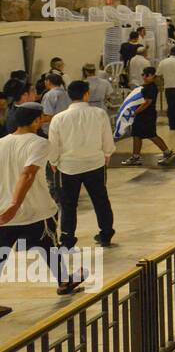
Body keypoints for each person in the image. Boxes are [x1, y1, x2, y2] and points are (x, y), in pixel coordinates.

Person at [0, 104, 85, 305]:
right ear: (36, 120)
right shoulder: (39, 143)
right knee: (49, 247)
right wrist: (14, 204)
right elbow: (28, 173)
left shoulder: (1, 143)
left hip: (3, 212)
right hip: (35, 210)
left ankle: (65, 281)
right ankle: (64, 282)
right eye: (43, 117)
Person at [47, 79, 116, 261]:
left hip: (68, 167)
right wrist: (107, 153)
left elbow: (53, 145)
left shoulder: (59, 118)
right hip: (95, 164)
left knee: (68, 205)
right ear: (86, 94)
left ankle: (68, 240)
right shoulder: (99, 114)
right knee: (100, 199)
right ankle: (106, 233)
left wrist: (53, 161)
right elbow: (107, 138)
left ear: (70, 96)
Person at [121, 68, 175, 167]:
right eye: (143, 75)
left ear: (152, 76)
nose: (144, 77)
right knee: (137, 135)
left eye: (146, 75)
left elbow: (147, 102)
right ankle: (136, 156)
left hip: (147, 115)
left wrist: (135, 112)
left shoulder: (151, 87)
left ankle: (167, 153)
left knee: (151, 135)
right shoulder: (146, 86)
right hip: (143, 115)